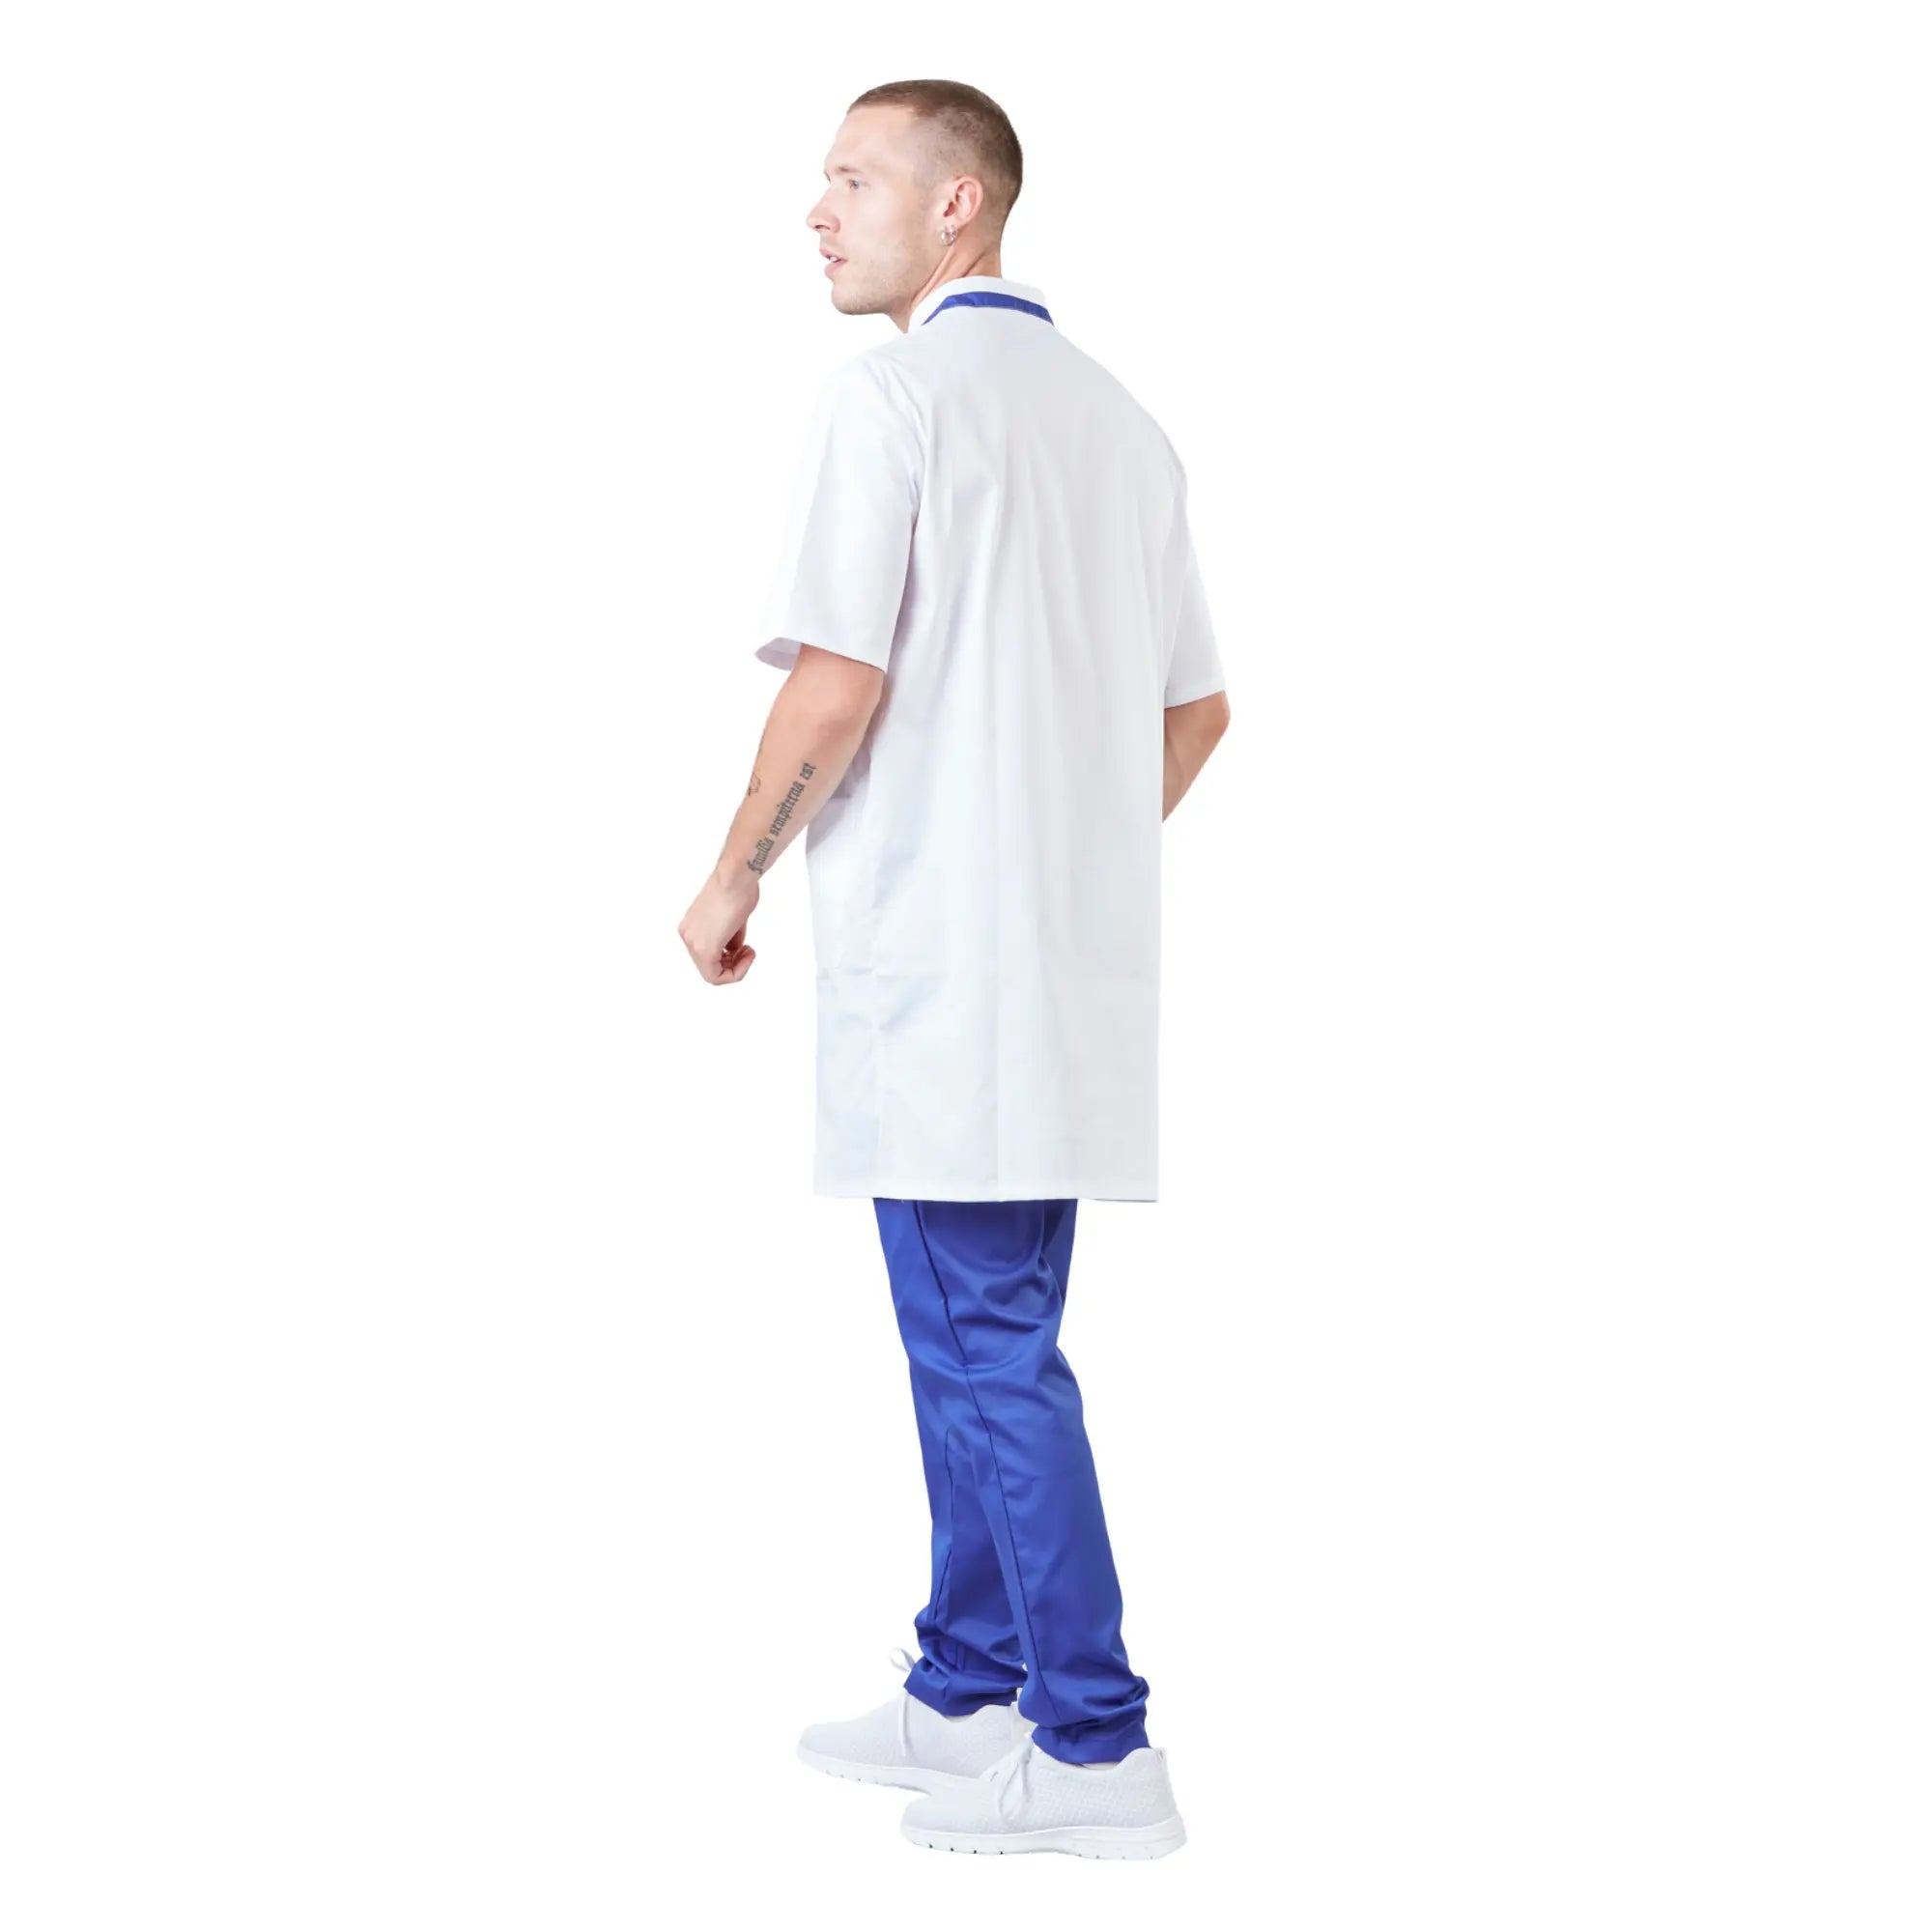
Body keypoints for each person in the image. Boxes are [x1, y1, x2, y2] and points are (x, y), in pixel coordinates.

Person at [678, 78, 1230, 1861]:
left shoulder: (896, 399)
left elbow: (834, 685)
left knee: (987, 1348)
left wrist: (731, 873)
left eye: (853, 179)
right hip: (1056, 985)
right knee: (977, 1336)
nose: (818, 211)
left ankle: (1098, 1743)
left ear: (958, 207)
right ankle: (967, 1680)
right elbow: (1198, 713)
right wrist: (1057, 871)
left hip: (939, 977)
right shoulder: (1125, 428)